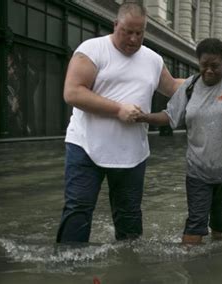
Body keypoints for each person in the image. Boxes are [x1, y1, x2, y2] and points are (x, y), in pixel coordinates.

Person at [56, 2, 184, 243]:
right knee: (78, 210)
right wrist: (118, 109)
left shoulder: (153, 60)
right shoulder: (92, 50)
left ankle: (129, 269)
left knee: (130, 218)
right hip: (86, 147)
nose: (134, 39)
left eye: (140, 33)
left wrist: (209, 81)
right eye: (128, 31)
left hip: (132, 153)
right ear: (115, 25)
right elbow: (72, 92)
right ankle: (68, 267)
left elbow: (172, 87)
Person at [136, 38, 222, 245]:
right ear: (198, 62)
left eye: (215, 66)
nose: (209, 71)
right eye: (204, 65)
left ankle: (218, 269)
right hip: (198, 169)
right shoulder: (189, 86)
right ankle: (190, 270)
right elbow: (170, 116)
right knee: (195, 224)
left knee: (221, 229)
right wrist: (144, 117)